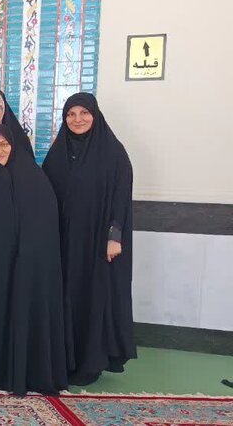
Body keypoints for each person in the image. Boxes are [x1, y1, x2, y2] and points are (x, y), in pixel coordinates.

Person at [0, 124, 68, 396]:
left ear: (13, 145)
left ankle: (27, 371)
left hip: (27, 266)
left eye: (4, 144)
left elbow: (46, 223)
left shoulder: (34, 178)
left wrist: (28, 249)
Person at [43, 92, 136, 386]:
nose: (77, 119)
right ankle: (65, 359)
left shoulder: (113, 153)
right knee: (67, 297)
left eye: (84, 113)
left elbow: (121, 198)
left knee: (94, 297)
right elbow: (44, 196)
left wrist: (114, 236)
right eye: (71, 114)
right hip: (64, 244)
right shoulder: (58, 154)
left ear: (95, 116)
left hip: (98, 243)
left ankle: (91, 361)